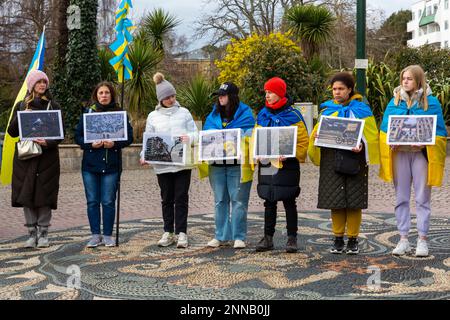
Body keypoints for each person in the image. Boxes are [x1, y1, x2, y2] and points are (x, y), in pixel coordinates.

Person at [308, 72, 380, 255]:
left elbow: (371, 137)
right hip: (331, 161)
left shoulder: (362, 111)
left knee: (353, 201)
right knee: (336, 201)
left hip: (354, 161)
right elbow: (317, 136)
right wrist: (316, 137)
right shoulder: (327, 110)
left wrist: (361, 146)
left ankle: (353, 240)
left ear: (350, 89)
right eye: (334, 89)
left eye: (341, 89)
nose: (337, 92)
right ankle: (338, 238)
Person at [379, 65, 447, 257]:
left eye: (409, 78)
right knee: (401, 197)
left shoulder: (431, 103)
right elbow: (385, 130)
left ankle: (422, 239)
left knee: (422, 197)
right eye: (403, 78)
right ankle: (403, 239)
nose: (405, 81)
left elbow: (440, 133)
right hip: (400, 154)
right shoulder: (394, 101)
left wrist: (425, 144)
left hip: (420, 156)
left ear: (418, 80)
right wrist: (389, 142)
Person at [140, 72, 198, 248]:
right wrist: (144, 155)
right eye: (167, 97)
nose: (171, 100)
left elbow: (195, 132)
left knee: (181, 198)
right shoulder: (153, 116)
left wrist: (190, 138)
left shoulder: (184, 112)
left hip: (182, 164)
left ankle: (182, 232)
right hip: (162, 165)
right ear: (160, 99)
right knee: (166, 199)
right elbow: (148, 139)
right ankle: (168, 231)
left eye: (173, 96)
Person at [253, 77, 309, 253]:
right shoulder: (262, 114)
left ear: (279, 93)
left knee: (289, 200)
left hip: (288, 165)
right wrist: (257, 153)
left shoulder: (294, 115)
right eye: (266, 92)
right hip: (268, 164)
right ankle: (267, 237)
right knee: (269, 200)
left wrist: (291, 155)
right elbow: (256, 137)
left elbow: (302, 142)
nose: (267, 96)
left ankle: (292, 238)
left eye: (270, 92)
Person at [7, 70, 63, 248]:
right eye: (38, 82)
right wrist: (22, 114)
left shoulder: (53, 105)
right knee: (27, 193)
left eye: (44, 82)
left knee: (45, 193)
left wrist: (47, 141)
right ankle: (31, 233)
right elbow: (12, 132)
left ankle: (44, 232)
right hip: (26, 158)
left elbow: (61, 134)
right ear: (32, 85)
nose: (42, 85)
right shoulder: (21, 105)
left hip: (47, 158)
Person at [75, 81, 133, 248]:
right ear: (96, 95)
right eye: (101, 93)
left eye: (107, 92)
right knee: (92, 201)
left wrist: (114, 144)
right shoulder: (88, 112)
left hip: (111, 166)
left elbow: (129, 137)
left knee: (108, 201)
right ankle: (95, 235)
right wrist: (90, 144)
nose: (104, 95)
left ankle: (107, 235)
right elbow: (78, 136)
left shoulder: (120, 113)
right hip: (90, 165)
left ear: (111, 94)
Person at [200, 82, 255, 249]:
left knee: (238, 200)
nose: (220, 98)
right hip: (216, 165)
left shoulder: (246, 114)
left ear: (232, 96)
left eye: (223, 95)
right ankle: (221, 235)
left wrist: (237, 137)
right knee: (219, 200)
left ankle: (239, 236)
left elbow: (251, 135)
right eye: (219, 95)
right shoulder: (213, 115)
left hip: (237, 164)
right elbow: (206, 134)